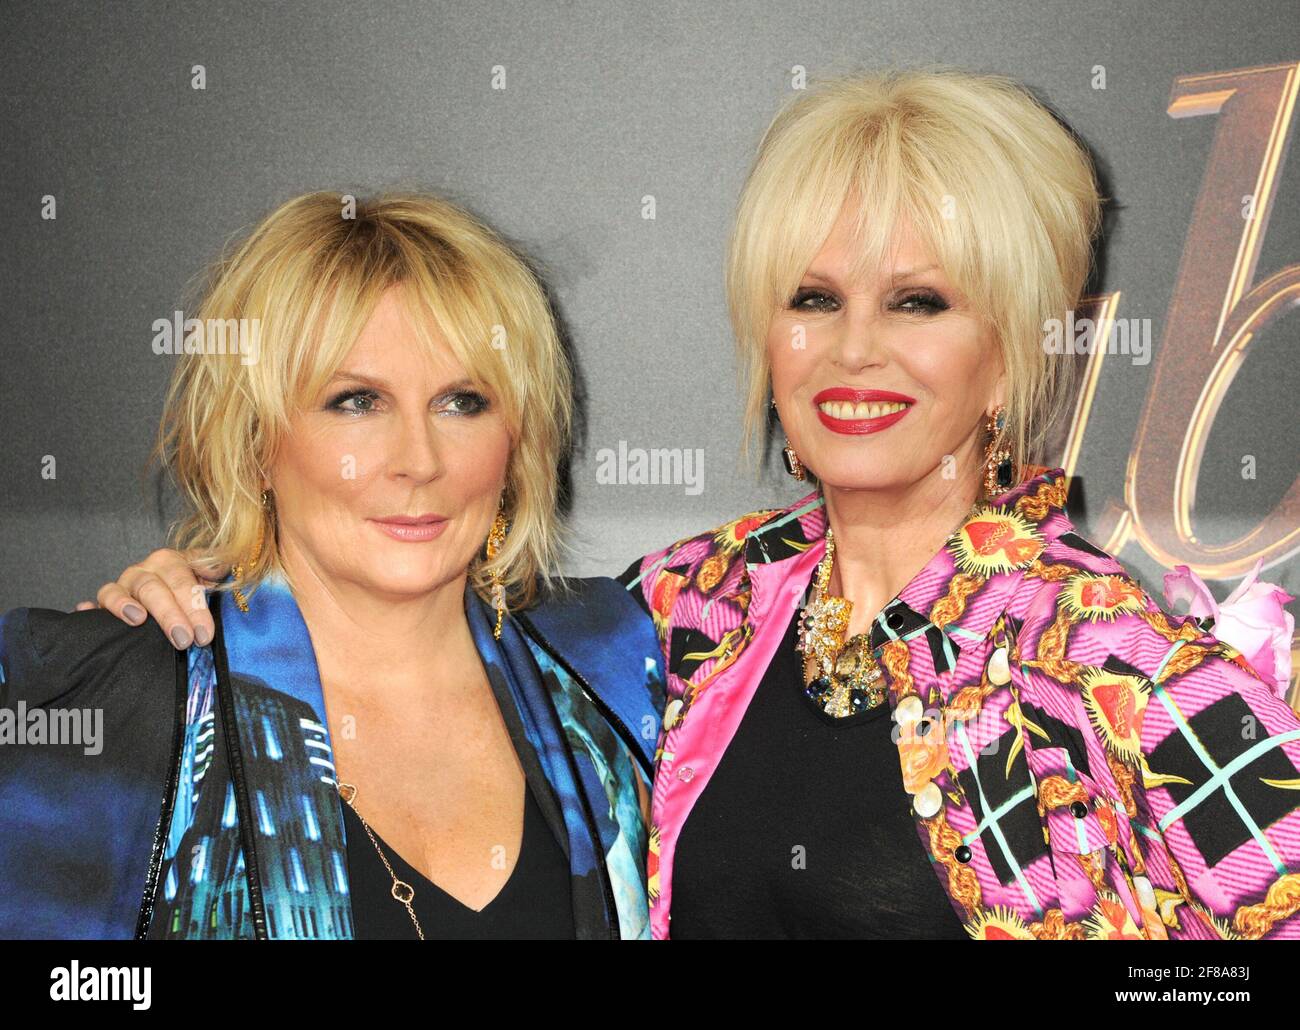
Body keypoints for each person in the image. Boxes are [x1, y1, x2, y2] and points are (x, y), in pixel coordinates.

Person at [79, 70, 1300, 940]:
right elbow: (399, 626)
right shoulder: (681, 610)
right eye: (813, 298)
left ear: (1015, 349)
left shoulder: (1118, 662)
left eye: (920, 302)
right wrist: (200, 596)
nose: (853, 351)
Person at [0, 191, 662, 940]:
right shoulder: (106, 704)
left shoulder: (622, 665)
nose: (419, 461)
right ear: (254, 445)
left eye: (462, 402)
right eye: (356, 402)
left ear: (518, 443)